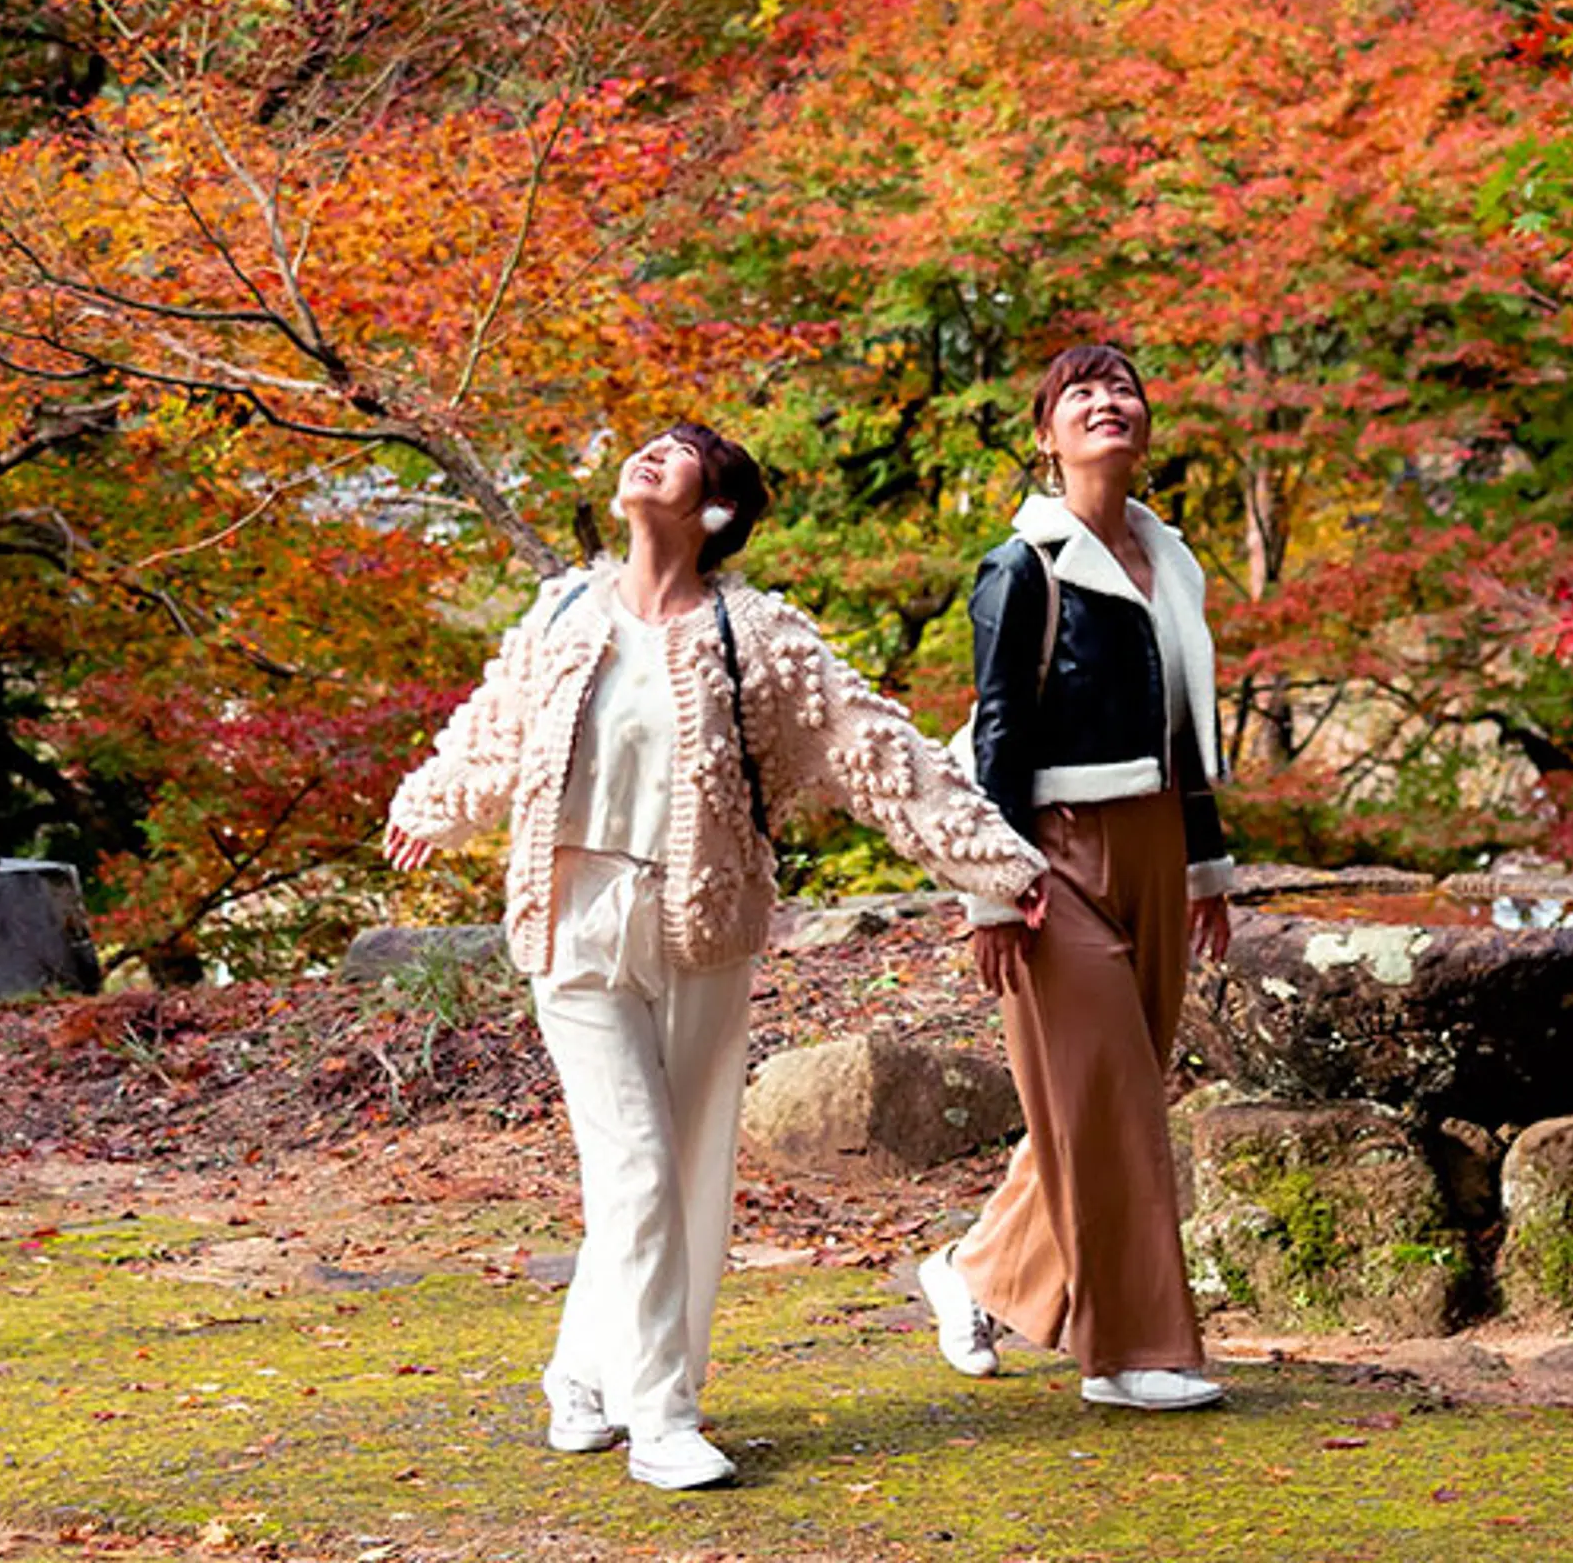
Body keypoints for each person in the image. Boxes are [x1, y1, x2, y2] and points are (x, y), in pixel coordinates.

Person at [385, 423, 1047, 1490]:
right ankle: (663, 1417)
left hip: (704, 923)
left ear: (717, 512)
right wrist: (430, 803)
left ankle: (583, 1379)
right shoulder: (562, 612)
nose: (647, 456)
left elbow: (878, 753)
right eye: (643, 445)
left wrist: (996, 865)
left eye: (677, 453)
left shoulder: (761, 638)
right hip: (573, 918)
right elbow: (492, 733)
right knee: (636, 1162)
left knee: (680, 1171)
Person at [919, 343, 1235, 1412]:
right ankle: (1129, 1352)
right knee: (1111, 1100)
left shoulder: (1173, 561)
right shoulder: (1023, 567)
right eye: (1079, 394)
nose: (1108, 402)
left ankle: (976, 1273)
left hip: (1154, 841)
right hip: (1049, 853)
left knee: (1115, 1091)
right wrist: (989, 892)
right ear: (1047, 437)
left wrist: (1205, 865)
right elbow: (995, 735)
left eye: (1125, 387)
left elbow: (1193, 730)